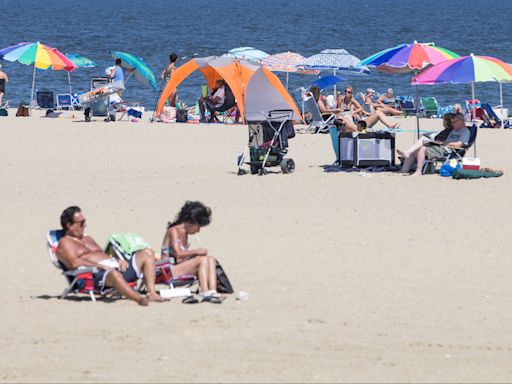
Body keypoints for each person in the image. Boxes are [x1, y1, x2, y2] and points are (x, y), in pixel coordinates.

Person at [56, 206, 167, 305]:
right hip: (96, 275)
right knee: (113, 273)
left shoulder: (87, 238)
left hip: (117, 268)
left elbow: (103, 255)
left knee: (147, 253)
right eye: (81, 223)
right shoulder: (64, 243)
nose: (84, 225)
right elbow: (74, 263)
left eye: (84, 221)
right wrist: (100, 266)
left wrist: (118, 260)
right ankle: (138, 299)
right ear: (69, 225)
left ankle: (152, 293)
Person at [161, 201, 222, 303]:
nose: (198, 231)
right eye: (198, 226)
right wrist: (196, 252)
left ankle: (212, 291)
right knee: (201, 259)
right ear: (191, 222)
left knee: (210, 259)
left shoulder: (185, 234)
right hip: (168, 270)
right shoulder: (173, 231)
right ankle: (204, 291)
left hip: (179, 267)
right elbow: (178, 254)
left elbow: (182, 259)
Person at [397, 112, 470, 176]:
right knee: (418, 146)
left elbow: (458, 145)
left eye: (454, 122)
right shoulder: (454, 130)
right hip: (442, 147)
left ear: (461, 121)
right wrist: (437, 141)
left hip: (448, 151)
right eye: (452, 122)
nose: (452, 124)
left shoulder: (465, 132)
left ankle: (418, 171)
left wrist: (443, 143)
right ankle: (404, 169)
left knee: (422, 149)